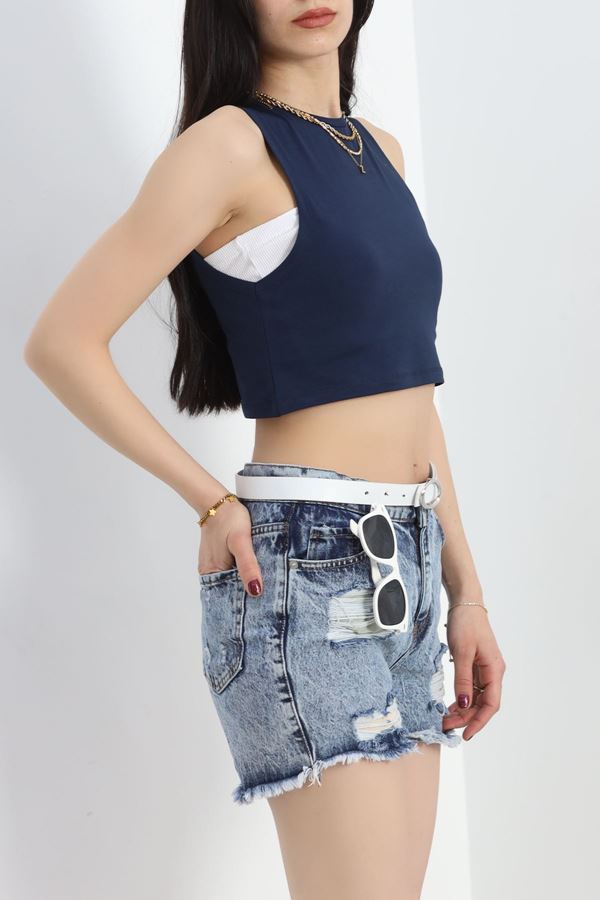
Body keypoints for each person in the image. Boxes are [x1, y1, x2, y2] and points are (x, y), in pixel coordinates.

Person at [23, 1, 506, 897]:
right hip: (308, 568)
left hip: (410, 558)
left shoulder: (382, 152)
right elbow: (62, 343)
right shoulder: (228, 146)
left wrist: (466, 590)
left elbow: (412, 393)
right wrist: (209, 499)